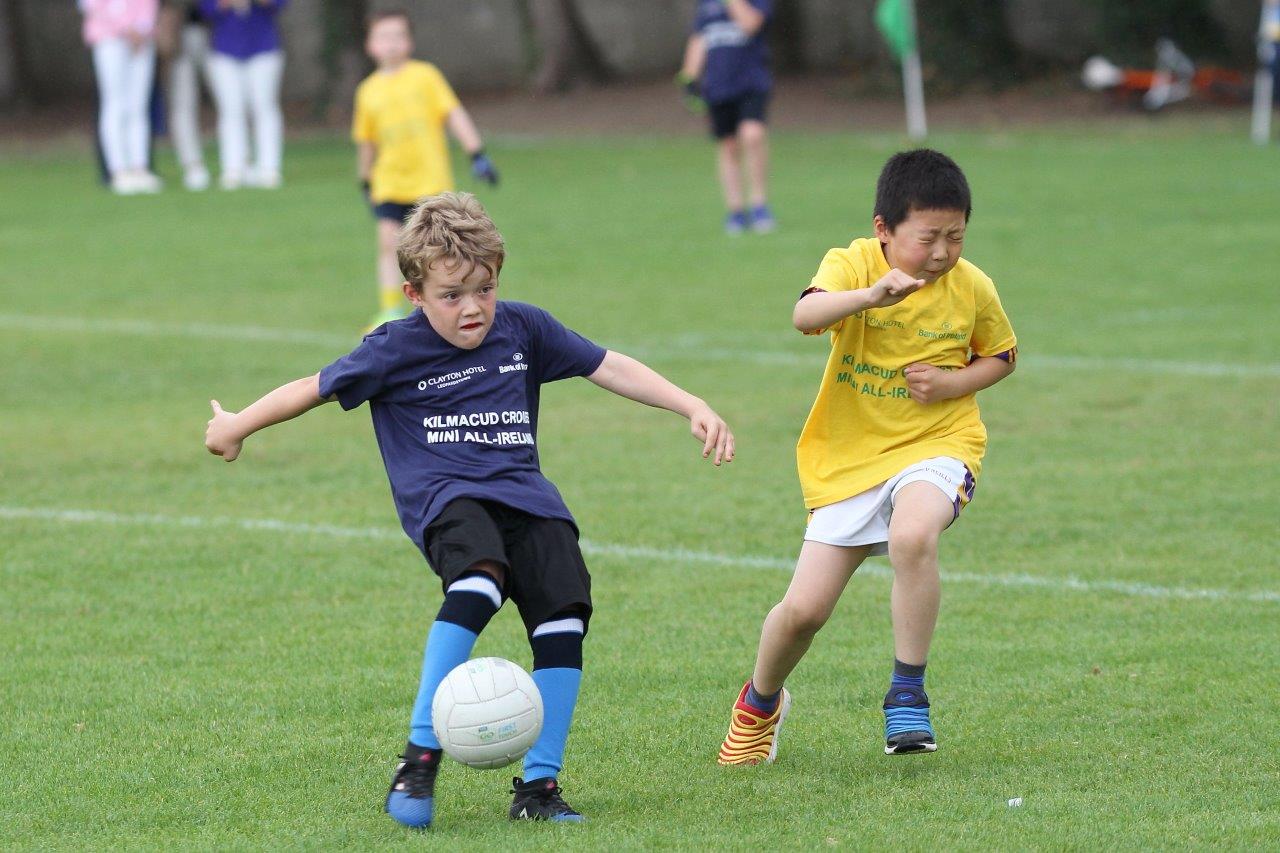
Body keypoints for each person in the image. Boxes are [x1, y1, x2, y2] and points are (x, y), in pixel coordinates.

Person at [204, 192, 735, 827]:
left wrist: (690, 404)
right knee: (480, 579)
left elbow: (607, 365)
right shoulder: (392, 349)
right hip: (447, 498)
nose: (472, 307)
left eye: (484, 289)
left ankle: (538, 790)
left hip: (528, 498)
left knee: (564, 621)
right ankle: (420, 756)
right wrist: (237, 424)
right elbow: (312, 389)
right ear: (414, 294)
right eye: (451, 294)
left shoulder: (524, 327)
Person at [716, 149, 1018, 764]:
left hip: (938, 442)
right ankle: (759, 702)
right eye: (927, 238)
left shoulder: (971, 286)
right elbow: (805, 314)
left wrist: (953, 385)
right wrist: (870, 296)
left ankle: (907, 692)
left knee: (913, 536)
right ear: (884, 228)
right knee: (802, 612)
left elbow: (1003, 355)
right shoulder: (853, 262)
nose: (941, 253)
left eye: (955, 236)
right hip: (849, 459)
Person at [354, 9, 499, 333]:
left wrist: (476, 152)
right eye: (383, 36)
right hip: (390, 184)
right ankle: (390, 308)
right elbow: (366, 141)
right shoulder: (368, 90)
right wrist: (365, 178)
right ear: (370, 45)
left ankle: (449, 302)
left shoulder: (426, 76)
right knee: (388, 245)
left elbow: (454, 115)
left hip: (430, 186)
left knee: (443, 251)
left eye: (398, 36)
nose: (391, 43)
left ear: (409, 41)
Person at [678, 0, 775, 235]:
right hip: (718, 87)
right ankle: (736, 211)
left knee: (753, 135)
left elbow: (750, 24)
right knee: (729, 146)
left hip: (751, 84)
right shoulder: (706, 5)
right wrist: (689, 76)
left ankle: (759, 204)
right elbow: (700, 37)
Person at [200, 0, 287, 189]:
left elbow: (278, 5)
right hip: (225, 48)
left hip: (262, 46)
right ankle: (234, 167)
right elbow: (206, 9)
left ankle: (269, 167)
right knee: (231, 110)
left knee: (265, 107)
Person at [81, 0, 163, 194]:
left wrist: (142, 28)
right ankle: (118, 170)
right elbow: (92, 6)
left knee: (138, 106)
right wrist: (126, 28)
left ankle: (139, 167)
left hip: (142, 40)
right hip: (109, 38)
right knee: (114, 104)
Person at [160, 1, 214, 190]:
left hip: (216, 32)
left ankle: (240, 162)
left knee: (231, 102)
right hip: (179, 35)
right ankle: (192, 165)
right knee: (182, 104)